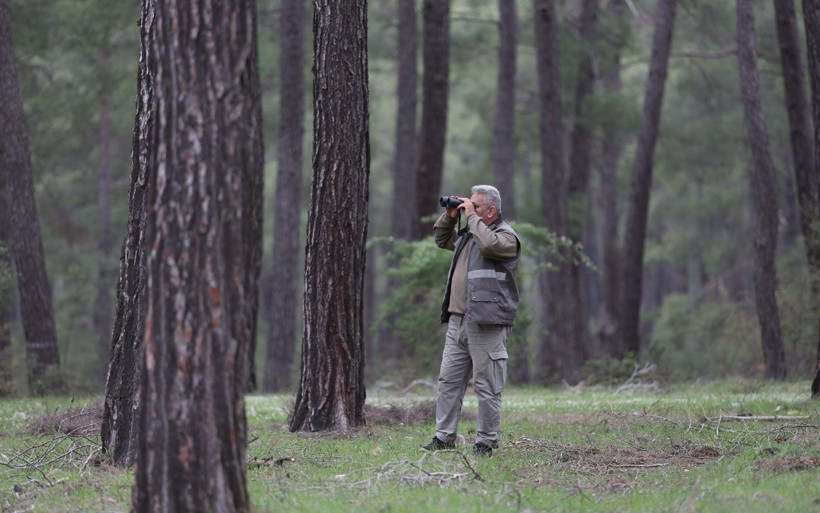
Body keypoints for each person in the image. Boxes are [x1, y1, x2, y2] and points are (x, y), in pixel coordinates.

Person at [422, 184, 521, 457]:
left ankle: (485, 442)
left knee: (487, 386)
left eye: (475, 206)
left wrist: (471, 218)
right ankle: (444, 437)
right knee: (449, 383)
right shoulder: (469, 235)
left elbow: (489, 245)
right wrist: (450, 216)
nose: (469, 209)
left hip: (487, 324)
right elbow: (442, 240)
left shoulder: (506, 237)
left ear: (491, 211)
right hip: (458, 321)